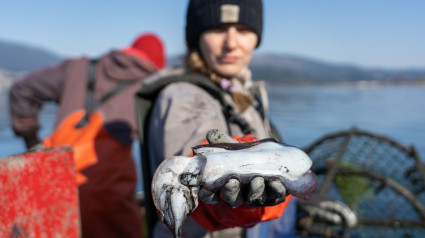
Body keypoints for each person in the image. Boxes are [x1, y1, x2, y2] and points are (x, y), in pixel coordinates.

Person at [137, 1, 293, 237]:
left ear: (256, 37)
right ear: (195, 38)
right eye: (218, 30)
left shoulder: (242, 93)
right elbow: (191, 177)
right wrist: (227, 191)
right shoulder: (184, 97)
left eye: (242, 29)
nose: (231, 43)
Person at [9, 33, 166, 238]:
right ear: (158, 62)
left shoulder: (77, 67)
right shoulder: (153, 86)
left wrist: (32, 143)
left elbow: (22, 90)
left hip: (50, 174)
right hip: (108, 193)